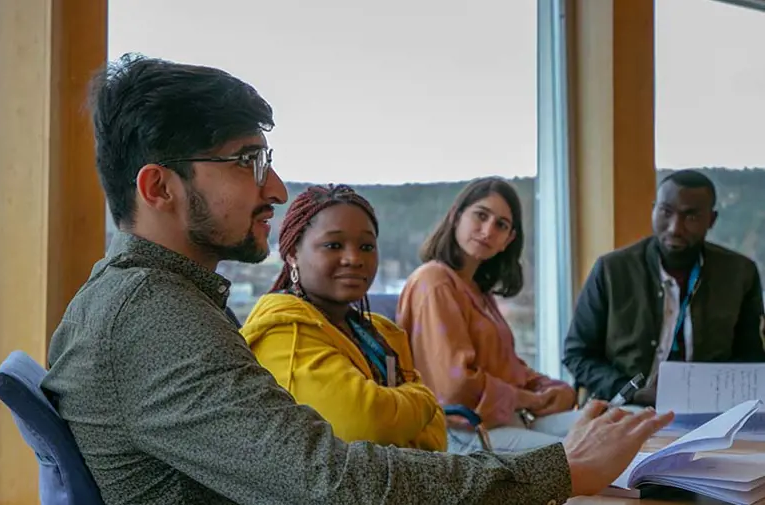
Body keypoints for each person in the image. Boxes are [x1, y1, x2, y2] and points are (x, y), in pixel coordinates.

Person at [41, 53, 674, 505]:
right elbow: (330, 481)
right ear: (159, 187)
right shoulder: (153, 317)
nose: (275, 189)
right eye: (246, 161)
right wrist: (560, 471)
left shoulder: (147, 298)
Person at [241, 185, 446, 450]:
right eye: (333, 245)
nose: (353, 258)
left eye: (366, 246)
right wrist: (424, 399)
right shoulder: (284, 330)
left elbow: (438, 437)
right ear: (293, 254)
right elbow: (367, 424)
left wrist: (401, 418)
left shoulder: (379, 332)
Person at [397, 177, 580, 453]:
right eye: (480, 216)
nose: (487, 230)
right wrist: (529, 400)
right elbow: (454, 386)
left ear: (509, 240)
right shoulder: (434, 281)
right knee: (583, 452)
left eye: (501, 225)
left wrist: (554, 390)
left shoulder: (478, 291)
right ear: (456, 216)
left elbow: (507, 367)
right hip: (458, 432)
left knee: (610, 428)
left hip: (503, 421)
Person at [563, 169, 765, 407]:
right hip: (625, 407)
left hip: (707, 408)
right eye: (665, 212)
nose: (674, 228)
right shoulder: (611, 270)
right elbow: (577, 354)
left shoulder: (739, 274)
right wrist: (632, 392)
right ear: (653, 209)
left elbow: (749, 359)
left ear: (711, 220)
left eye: (690, 217)